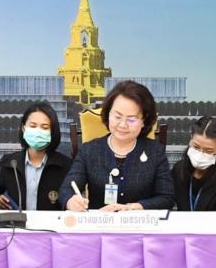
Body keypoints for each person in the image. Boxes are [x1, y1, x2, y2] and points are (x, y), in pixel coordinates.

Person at [59, 80, 174, 211]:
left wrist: (132, 208)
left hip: (139, 222)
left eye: (131, 119)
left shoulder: (155, 151)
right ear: (108, 114)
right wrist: (71, 201)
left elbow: (166, 198)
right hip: (100, 222)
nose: (123, 125)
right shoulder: (89, 150)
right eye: (117, 117)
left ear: (144, 120)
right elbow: (66, 190)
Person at [0, 102, 72, 211]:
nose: (38, 132)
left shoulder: (66, 166)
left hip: (51, 222)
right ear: (23, 128)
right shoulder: (9, 163)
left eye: (44, 127)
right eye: (33, 126)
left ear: (52, 132)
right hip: (16, 221)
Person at [172, 116, 216, 211]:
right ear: (191, 139)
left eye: (208, 151)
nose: (200, 154)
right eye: (196, 147)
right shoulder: (178, 169)